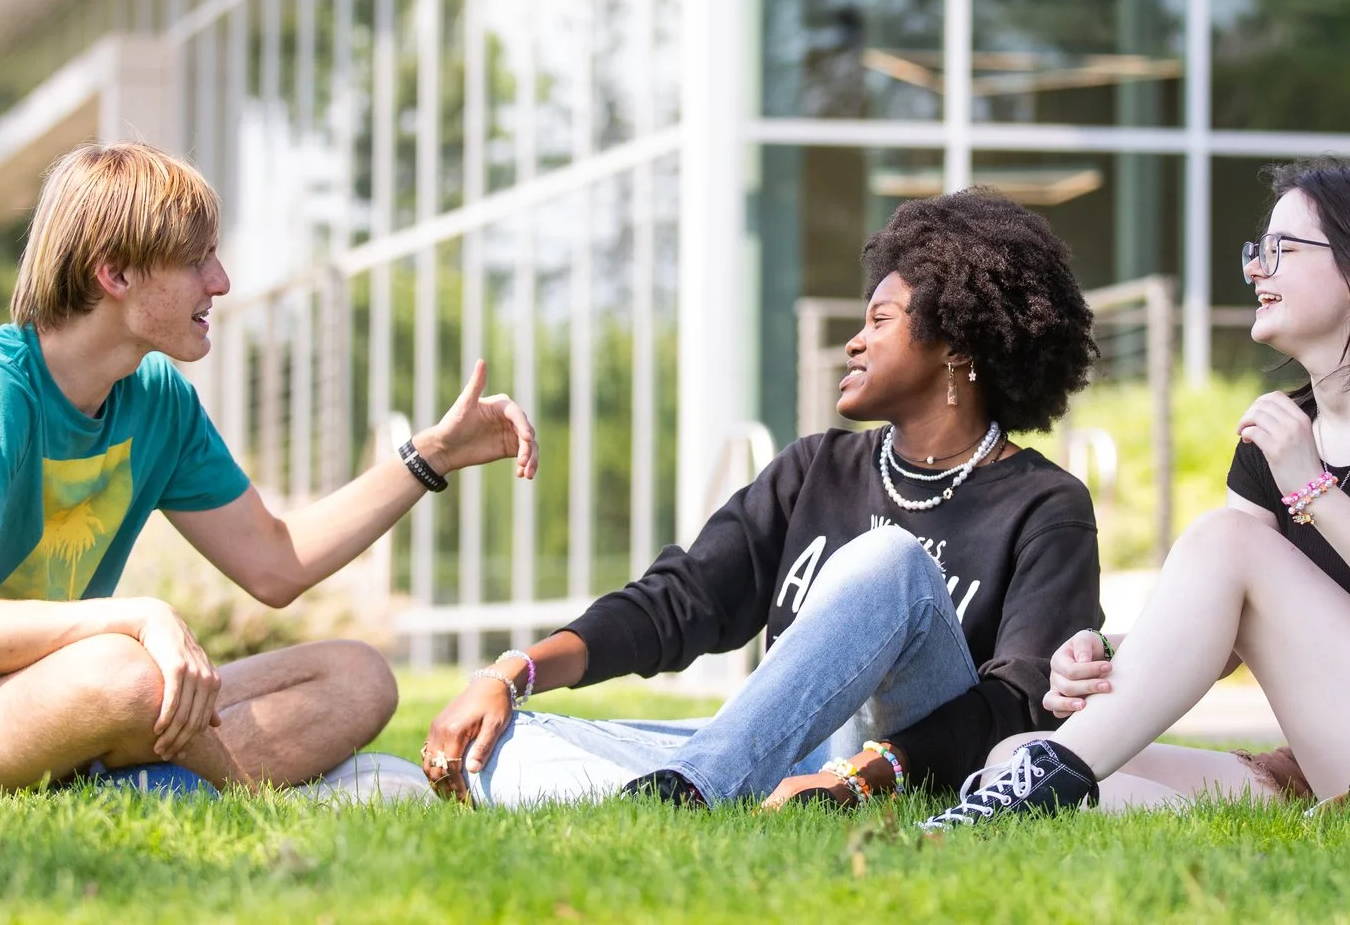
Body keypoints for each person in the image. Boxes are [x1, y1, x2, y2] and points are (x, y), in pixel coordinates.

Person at [0, 142, 537, 793]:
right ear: (114, 272)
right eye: (194, 260)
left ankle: (138, 777)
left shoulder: (157, 400)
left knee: (358, 676)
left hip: (54, 699)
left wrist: (428, 457)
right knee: (119, 673)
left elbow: (276, 562)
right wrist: (139, 615)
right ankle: (238, 787)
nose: (219, 280)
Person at [417, 188, 1103, 810]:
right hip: (774, 756)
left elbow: (1020, 706)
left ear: (956, 341)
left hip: (911, 766)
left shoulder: (1046, 504)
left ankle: (693, 790)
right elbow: (678, 601)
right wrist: (511, 673)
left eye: (880, 319)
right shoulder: (815, 468)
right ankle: (720, 790)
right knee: (507, 738)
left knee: (891, 560)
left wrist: (861, 776)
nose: (853, 340)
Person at [927, 160, 1350, 826]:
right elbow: (1221, 639)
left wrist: (1312, 487)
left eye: (1282, 250)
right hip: (1335, 754)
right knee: (1012, 750)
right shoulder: (1277, 435)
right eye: (1258, 251)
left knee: (1228, 540)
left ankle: (1048, 780)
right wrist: (1110, 654)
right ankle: (1055, 779)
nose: (1257, 269)